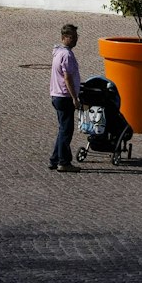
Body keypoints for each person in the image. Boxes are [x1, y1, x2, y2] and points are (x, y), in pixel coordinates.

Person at [48, 24, 81, 173]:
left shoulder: (57, 52)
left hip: (56, 94)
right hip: (64, 96)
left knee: (63, 129)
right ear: (63, 38)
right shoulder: (66, 55)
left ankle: (54, 159)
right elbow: (67, 78)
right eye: (71, 37)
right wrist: (75, 98)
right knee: (66, 130)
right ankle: (63, 162)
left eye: (76, 37)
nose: (75, 40)